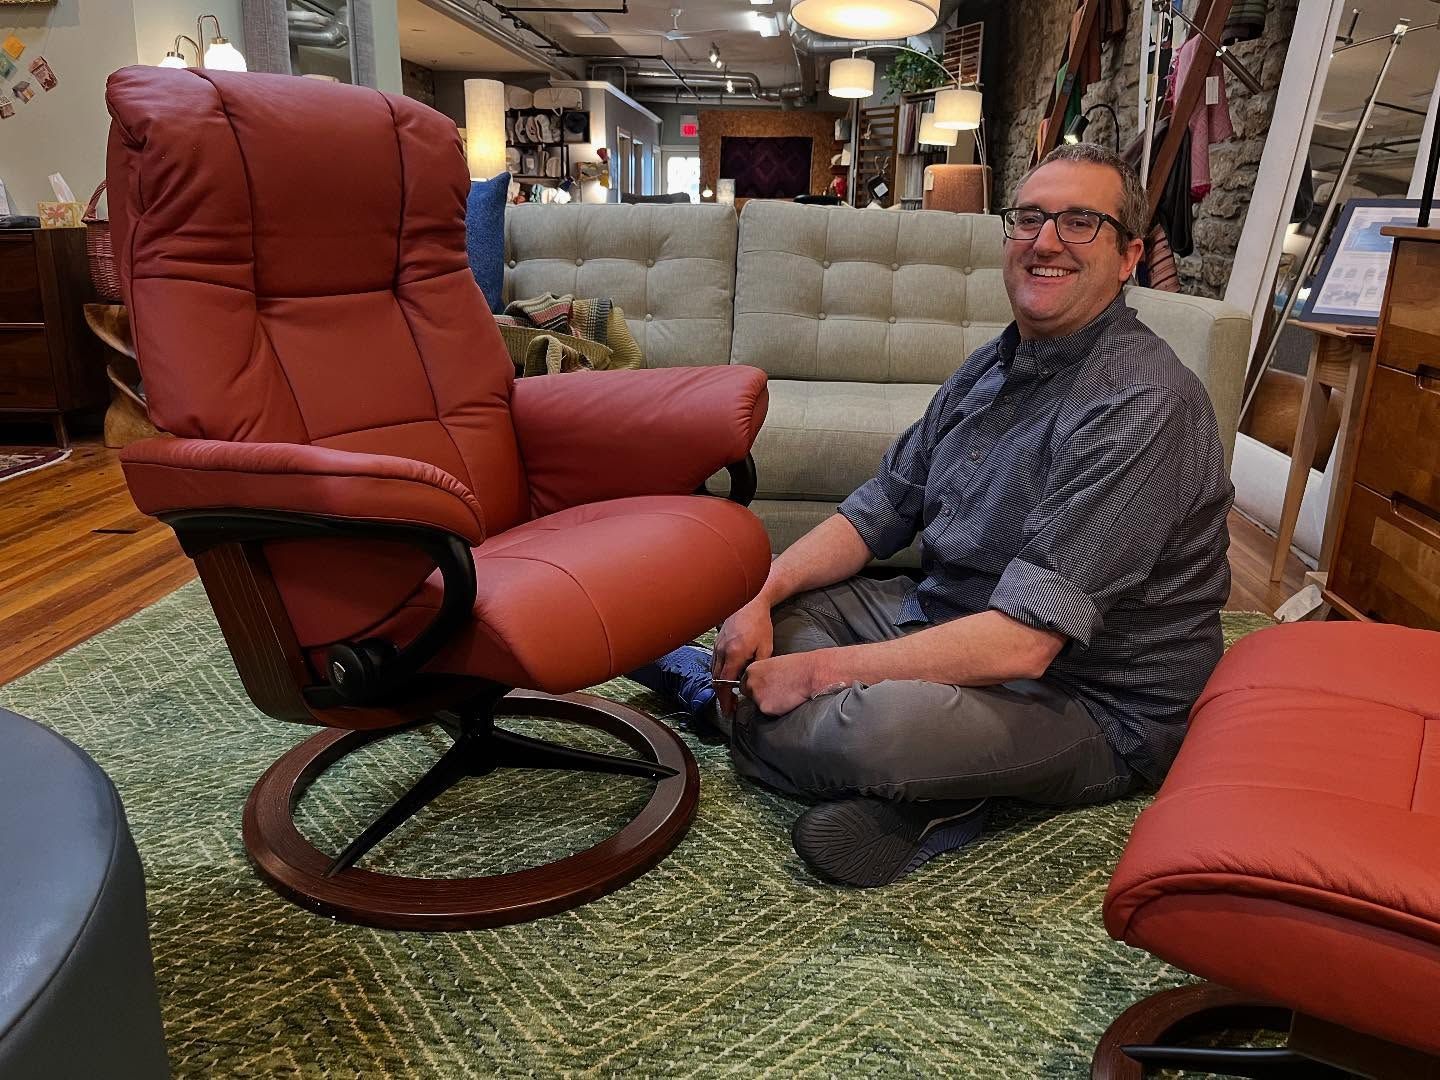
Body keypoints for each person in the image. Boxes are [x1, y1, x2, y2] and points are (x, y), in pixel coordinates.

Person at [710, 142, 1234, 888]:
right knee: (784, 620)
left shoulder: (1140, 403)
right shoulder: (991, 363)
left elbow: (1024, 645)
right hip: (948, 613)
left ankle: (756, 717)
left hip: (1088, 698)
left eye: (1080, 222)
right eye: (1029, 219)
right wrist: (760, 595)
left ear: (1128, 257)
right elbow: (879, 509)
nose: (1046, 241)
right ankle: (924, 789)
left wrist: (821, 674)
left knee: (873, 729)